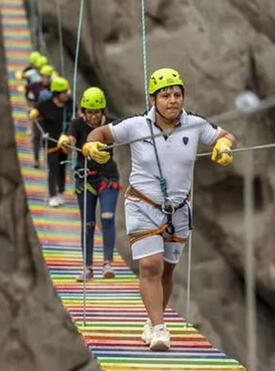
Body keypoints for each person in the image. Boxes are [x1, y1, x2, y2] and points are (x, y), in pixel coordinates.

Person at [81, 67, 236, 351]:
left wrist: (224, 146)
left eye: (177, 94)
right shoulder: (136, 125)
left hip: (179, 208)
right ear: (153, 100)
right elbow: (100, 132)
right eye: (165, 95)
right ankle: (161, 329)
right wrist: (91, 146)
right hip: (143, 204)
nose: (173, 100)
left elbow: (224, 135)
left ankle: (153, 322)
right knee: (150, 265)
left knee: (166, 270)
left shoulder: (196, 124)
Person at [57, 87, 120, 281]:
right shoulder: (77, 124)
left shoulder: (110, 126)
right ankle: (87, 267)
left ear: (103, 111)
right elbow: (71, 141)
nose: (93, 117)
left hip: (108, 177)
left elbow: (127, 132)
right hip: (85, 179)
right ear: (83, 112)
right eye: (90, 112)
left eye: (97, 112)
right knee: (88, 223)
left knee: (107, 217)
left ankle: (108, 264)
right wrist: (65, 141)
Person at [29, 76, 73, 206]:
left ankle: (61, 192)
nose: (67, 94)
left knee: (62, 168)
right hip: (51, 142)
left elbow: (76, 114)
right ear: (57, 93)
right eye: (64, 92)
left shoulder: (69, 103)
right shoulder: (46, 105)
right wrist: (33, 112)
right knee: (53, 168)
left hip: (64, 142)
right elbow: (36, 110)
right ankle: (52, 195)